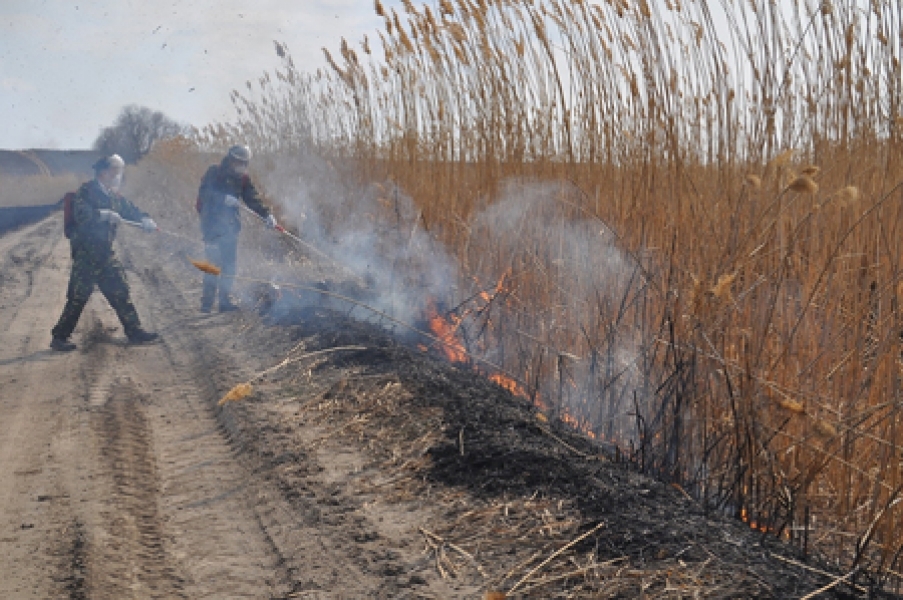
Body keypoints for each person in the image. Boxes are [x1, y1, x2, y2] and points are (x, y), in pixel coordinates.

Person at [50, 154, 160, 351]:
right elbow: (82, 216)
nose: (118, 175)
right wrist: (103, 214)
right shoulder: (87, 191)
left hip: (105, 253)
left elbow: (130, 210)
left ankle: (134, 331)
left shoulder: (113, 195)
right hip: (86, 253)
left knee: (120, 290)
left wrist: (145, 219)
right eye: (115, 171)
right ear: (104, 172)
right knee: (78, 296)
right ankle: (59, 337)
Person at [196, 145, 277, 312]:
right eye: (239, 162)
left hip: (230, 227)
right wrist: (222, 198)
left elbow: (253, 199)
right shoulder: (214, 172)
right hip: (211, 224)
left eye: (245, 163)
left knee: (229, 265)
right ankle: (206, 304)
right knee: (213, 263)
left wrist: (267, 215)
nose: (242, 166)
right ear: (231, 159)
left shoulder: (243, 179)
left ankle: (224, 303)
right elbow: (204, 193)